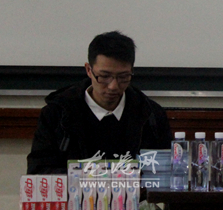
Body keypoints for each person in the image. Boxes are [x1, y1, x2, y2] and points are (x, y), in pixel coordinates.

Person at [27, 31, 172, 174]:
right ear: (89, 70)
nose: (113, 86)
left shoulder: (151, 114)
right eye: (104, 76)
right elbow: (38, 171)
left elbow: (164, 174)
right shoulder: (57, 113)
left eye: (123, 77)